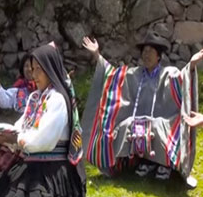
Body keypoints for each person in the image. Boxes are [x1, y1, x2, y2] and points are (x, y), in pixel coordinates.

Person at [81, 32, 203, 184]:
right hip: (139, 122)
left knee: (158, 126)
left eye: (151, 51)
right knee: (126, 125)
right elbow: (112, 75)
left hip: (164, 121)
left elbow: (183, 80)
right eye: (144, 51)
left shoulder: (169, 74)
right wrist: (97, 55)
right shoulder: (134, 74)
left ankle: (164, 164)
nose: (146, 55)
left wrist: (191, 64)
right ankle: (140, 161)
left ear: (159, 56)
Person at [0, 44, 87, 197]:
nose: (34, 75)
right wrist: (5, 136)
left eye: (39, 69)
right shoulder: (36, 97)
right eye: (32, 69)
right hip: (30, 165)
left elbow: (43, 140)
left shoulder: (57, 99)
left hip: (50, 173)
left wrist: (16, 139)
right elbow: (22, 126)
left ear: (50, 69)